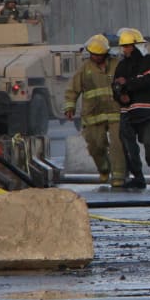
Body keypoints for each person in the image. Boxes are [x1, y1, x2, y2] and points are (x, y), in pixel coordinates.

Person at [64, 34, 126, 187]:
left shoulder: (117, 65)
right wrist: (70, 106)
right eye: (93, 54)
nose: (95, 57)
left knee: (118, 144)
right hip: (93, 114)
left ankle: (119, 177)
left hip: (115, 111)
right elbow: (73, 88)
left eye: (98, 55)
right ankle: (104, 168)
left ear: (105, 53)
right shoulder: (85, 68)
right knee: (95, 145)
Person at [112, 28, 150, 189]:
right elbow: (115, 86)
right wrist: (120, 95)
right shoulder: (121, 65)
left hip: (146, 111)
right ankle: (138, 177)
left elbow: (149, 80)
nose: (125, 50)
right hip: (127, 113)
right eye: (124, 47)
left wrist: (127, 83)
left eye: (128, 46)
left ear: (137, 45)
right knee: (129, 148)